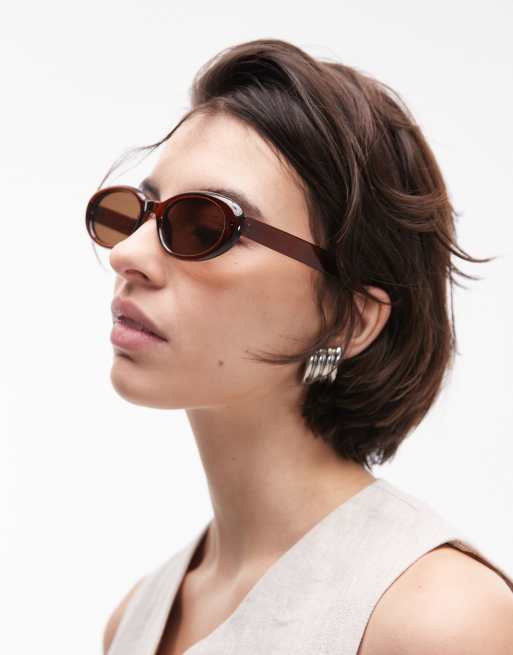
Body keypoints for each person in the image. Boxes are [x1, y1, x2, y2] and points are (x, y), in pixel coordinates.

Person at [89, 39, 513, 655]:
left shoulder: (439, 620)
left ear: (349, 321)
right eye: (138, 212)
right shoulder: (134, 620)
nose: (127, 255)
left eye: (206, 225)